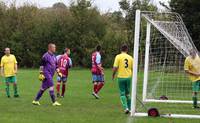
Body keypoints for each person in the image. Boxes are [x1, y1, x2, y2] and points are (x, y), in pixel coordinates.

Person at [112, 44, 133, 114]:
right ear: (127, 50)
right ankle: (130, 108)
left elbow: (115, 67)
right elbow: (133, 68)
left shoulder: (118, 57)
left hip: (121, 77)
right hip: (128, 77)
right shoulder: (130, 57)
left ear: (121, 49)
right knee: (128, 93)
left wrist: (113, 75)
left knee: (122, 94)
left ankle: (126, 108)